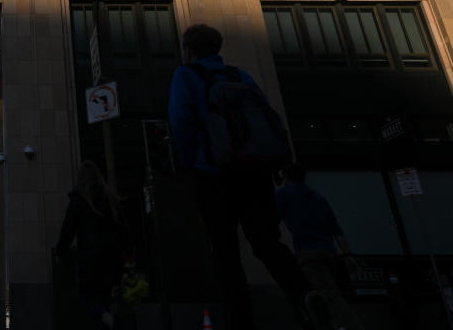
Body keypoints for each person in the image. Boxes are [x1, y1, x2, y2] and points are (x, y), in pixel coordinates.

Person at [167, 24, 329, 330]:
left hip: (213, 175)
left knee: (225, 253)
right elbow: (266, 118)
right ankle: (305, 295)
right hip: (255, 174)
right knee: (268, 243)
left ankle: (242, 322)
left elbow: (181, 122)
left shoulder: (185, 75)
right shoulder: (241, 76)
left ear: (188, 50)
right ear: (218, 48)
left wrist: (191, 164)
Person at [276, 163, 366, 330]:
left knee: (328, 297)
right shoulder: (318, 197)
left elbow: (273, 219)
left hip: (308, 252)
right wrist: (348, 255)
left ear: (286, 178)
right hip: (328, 252)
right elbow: (337, 230)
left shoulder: (284, 194)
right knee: (326, 295)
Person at [54, 160, 127, 330]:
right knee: (105, 298)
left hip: (91, 260)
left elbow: (68, 228)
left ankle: (108, 319)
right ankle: (108, 319)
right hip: (111, 260)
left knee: (89, 298)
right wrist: (127, 255)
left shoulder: (79, 199)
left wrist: (60, 252)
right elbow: (123, 229)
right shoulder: (110, 199)